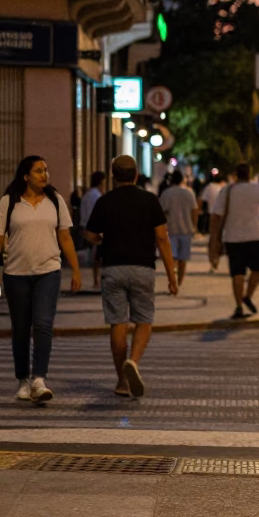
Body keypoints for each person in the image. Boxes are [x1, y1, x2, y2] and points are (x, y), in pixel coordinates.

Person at [84, 155, 178, 397]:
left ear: (114, 176)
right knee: (144, 319)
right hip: (143, 268)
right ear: (136, 175)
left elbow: (90, 236)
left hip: (113, 268)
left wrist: (104, 238)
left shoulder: (104, 201)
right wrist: (172, 274)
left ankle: (121, 382)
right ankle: (133, 361)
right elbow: (162, 238)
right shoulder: (149, 201)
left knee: (118, 323)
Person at [0, 155, 83, 403]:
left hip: (49, 271)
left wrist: (75, 269)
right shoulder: (8, 202)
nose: (45, 174)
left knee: (43, 324)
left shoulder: (55, 201)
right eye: (38, 171)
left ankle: (39, 379)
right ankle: (23, 379)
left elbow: (65, 237)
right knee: (21, 329)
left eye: (46, 170)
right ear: (25, 176)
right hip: (16, 274)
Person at [210, 163, 259, 319]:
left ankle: (239, 305)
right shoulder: (258, 188)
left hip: (232, 237)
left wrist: (214, 237)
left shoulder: (227, 190)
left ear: (236, 174)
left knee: (237, 273)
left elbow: (216, 215)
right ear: (250, 174)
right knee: (257, 271)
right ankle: (247, 296)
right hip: (254, 236)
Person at [159, 170, 197, 287]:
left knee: (172, 258)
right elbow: (194, 210)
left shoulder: (166, 193)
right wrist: (194, 226)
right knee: (183, 260)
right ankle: (179, 283)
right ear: (181, 180)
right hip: (186, 230)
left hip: (171, 229)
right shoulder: (189, 193)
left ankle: (172, 282)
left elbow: (162, 212)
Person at [79, 171, 105, 289]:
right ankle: (100, 280)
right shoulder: (98, 196)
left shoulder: (86, 195)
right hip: (98, 228)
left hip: (87, 227)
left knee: (95, 256)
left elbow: (82, 213)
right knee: (100, 256)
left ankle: (96, 280)